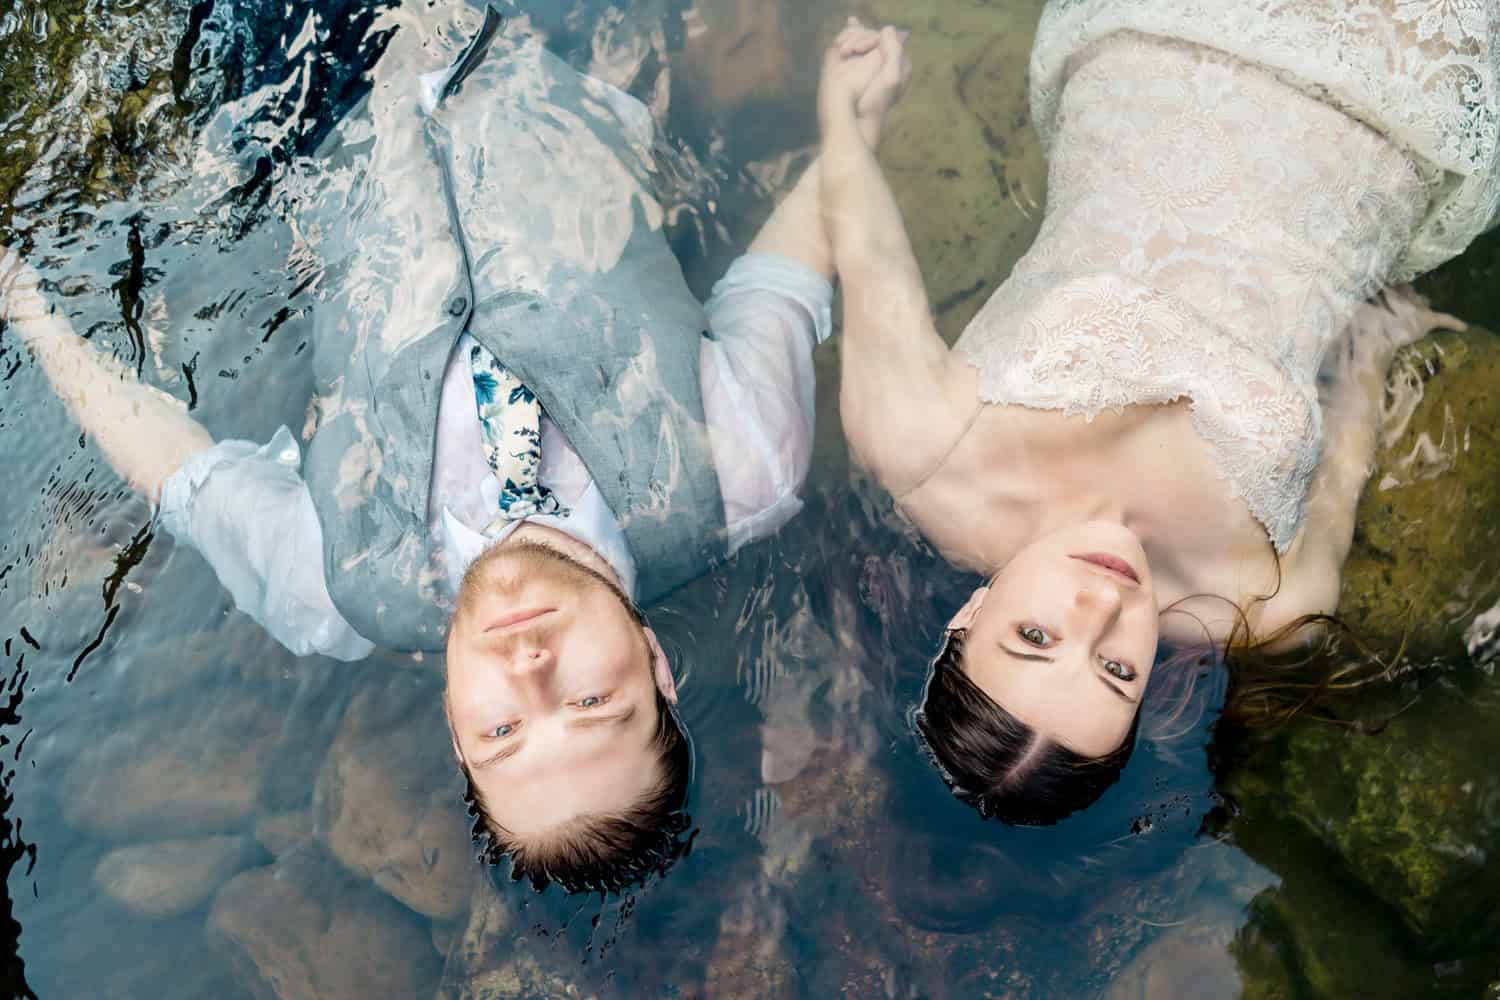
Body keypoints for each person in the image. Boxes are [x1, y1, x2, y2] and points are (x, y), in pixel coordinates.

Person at [0, 5, 909, 891]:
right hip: (533, 38)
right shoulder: (744, 469)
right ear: (657, 667)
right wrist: (850, 121)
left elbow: (179, 472)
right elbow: (784, 271)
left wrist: (25, 306)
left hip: (316, 96)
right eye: (592, 705)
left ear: (452, 721)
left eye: (502, 733)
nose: (531, 672)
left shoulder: (332, 588)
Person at [817, 6, 1497, 825]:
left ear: (966, 620)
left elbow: (867, 250)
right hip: (1386, 117)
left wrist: (847, 114)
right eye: (1116, 672)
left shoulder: (921, 450)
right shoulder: (1268, 602)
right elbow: (1354, 418)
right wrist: (1390, 329)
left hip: (1169, 46)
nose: (1100, 612)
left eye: (1034, 637)